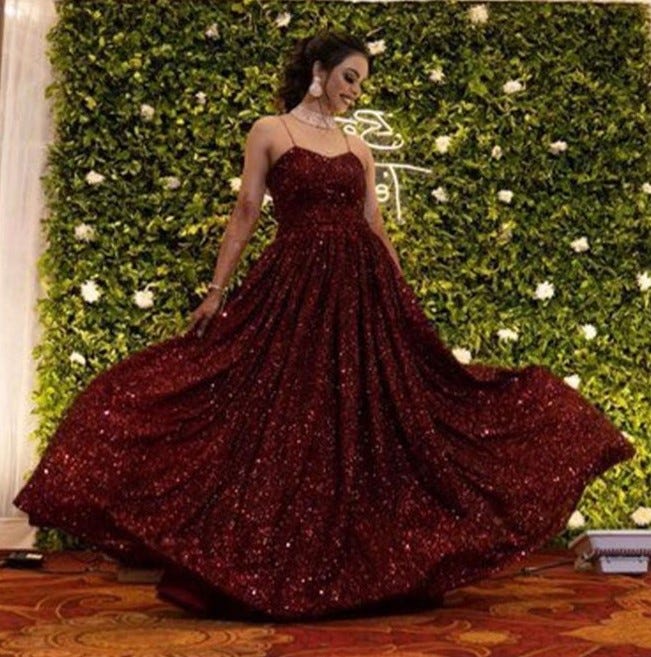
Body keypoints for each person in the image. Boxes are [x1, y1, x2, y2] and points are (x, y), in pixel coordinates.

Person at [13, 30, 635, 622]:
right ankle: (267, 564)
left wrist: (402, 301)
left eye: (361, 82)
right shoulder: (270, 131)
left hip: (363, 295)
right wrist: (216, 290)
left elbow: (373, 224)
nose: (355, 91)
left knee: (369, 419)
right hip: (295, 290)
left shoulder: (358, 147)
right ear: (318, 72)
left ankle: (372, 567)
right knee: (282, 416)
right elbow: (247, 210)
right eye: (349, 77)